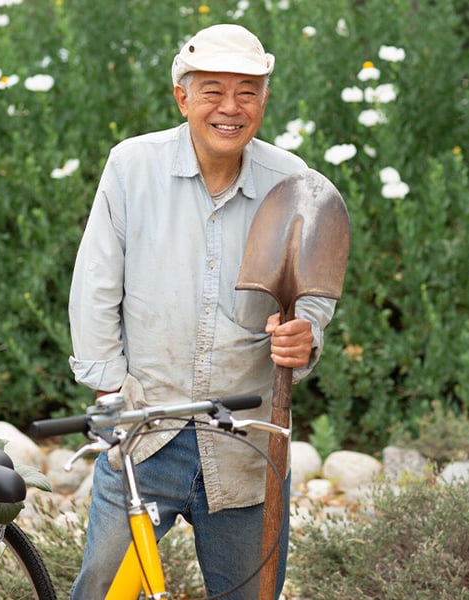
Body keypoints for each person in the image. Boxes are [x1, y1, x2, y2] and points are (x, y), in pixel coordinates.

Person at [68, 23, 336, 599]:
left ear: (265, 99)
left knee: (246, 595)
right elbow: (95, 286)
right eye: (212, 90)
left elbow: (312, 295)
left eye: (247, 91)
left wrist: (305, 336)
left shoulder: (294, 183)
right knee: (100, 591)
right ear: (182, 97)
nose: (230, 108)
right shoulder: (132, 167)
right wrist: (109, 392)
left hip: (246, 440)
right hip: (145, 433)